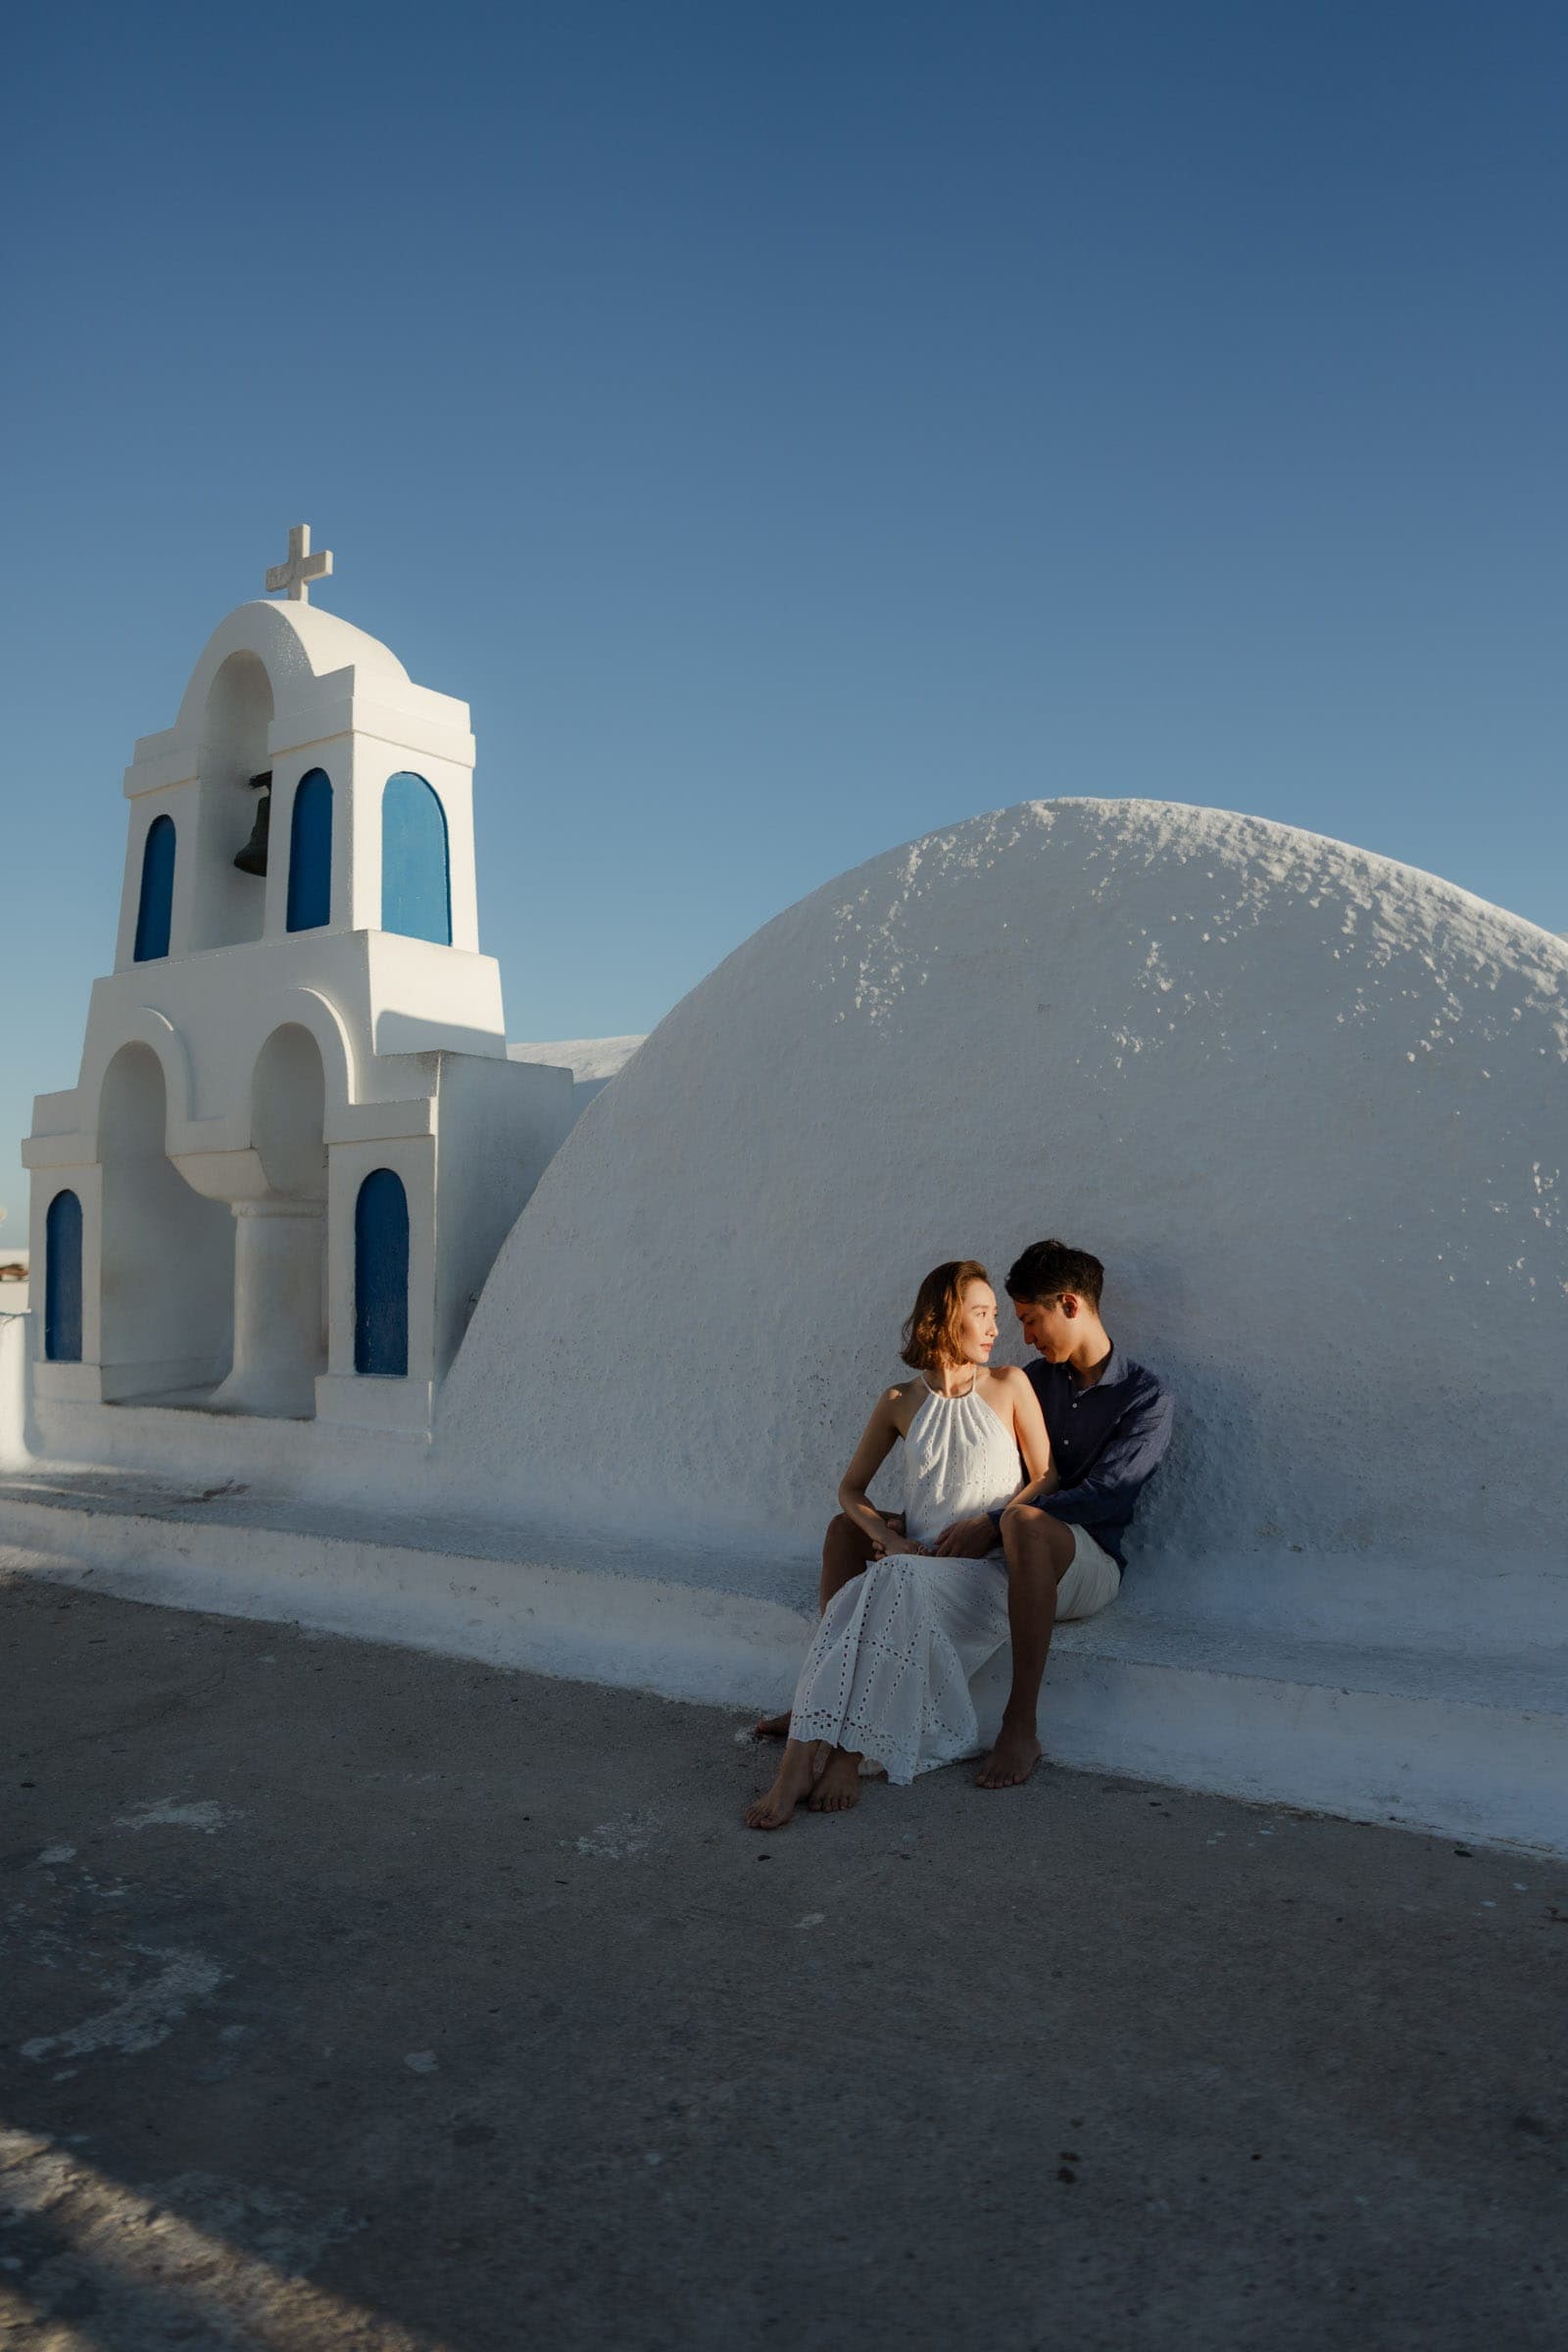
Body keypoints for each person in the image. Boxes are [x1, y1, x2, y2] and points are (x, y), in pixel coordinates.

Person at [754, 1237, 1174, 1797]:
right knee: (846, 1532)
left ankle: (1020, 1725)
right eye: (1006, 1319)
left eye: (1029, 1320)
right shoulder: (1032, 1378)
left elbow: (1103, 1495)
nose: (1020, 1336)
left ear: (1069, 1305)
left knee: (1019, 1526)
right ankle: (820, 1696)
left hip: (1082, 1560)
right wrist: (903, 1525)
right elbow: (974, 1467)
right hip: (997, 1546)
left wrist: (993, 1519)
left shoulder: (1144, 1396)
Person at [744, 1261, 1053, 1831]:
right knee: (889, 1575)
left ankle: (841, 1753)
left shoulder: (1011, 1385)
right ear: (945, 1319)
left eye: (994, 1315)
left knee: (886, 1581)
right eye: (980, 1315)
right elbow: (850, 1490)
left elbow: (1045, 1476)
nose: (993, 1329)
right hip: (915, 1572)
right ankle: (798, 1764)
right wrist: (890, 1539)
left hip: (981, 1579)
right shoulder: (898, 1399)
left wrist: (992, 1520)